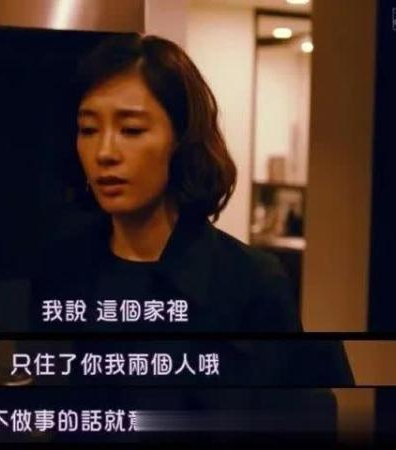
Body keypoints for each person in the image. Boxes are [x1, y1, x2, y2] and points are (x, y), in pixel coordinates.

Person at [31, 33, 353, 441]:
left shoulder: (251, 282)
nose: (104, 152)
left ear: (181, 140)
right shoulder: (62, 267)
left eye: (131, 129)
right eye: (88, 129)